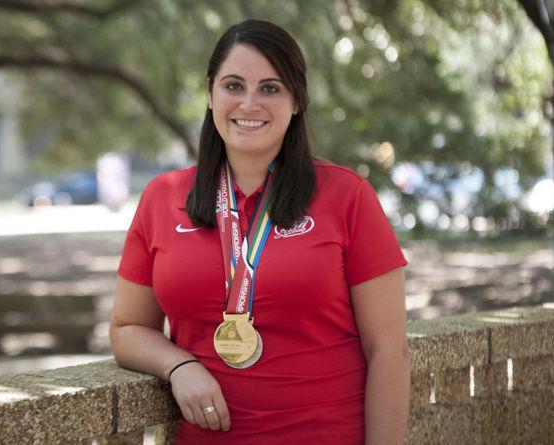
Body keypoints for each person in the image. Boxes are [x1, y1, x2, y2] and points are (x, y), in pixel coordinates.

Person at [111, 19, 410, 444]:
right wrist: (178, 365)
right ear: (211, 94)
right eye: (234, 86)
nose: (249, 103)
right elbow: (126, 329)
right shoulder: (162, 197)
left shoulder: (348, 196)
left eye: (270, 88)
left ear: (297, 101)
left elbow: (388, 352)